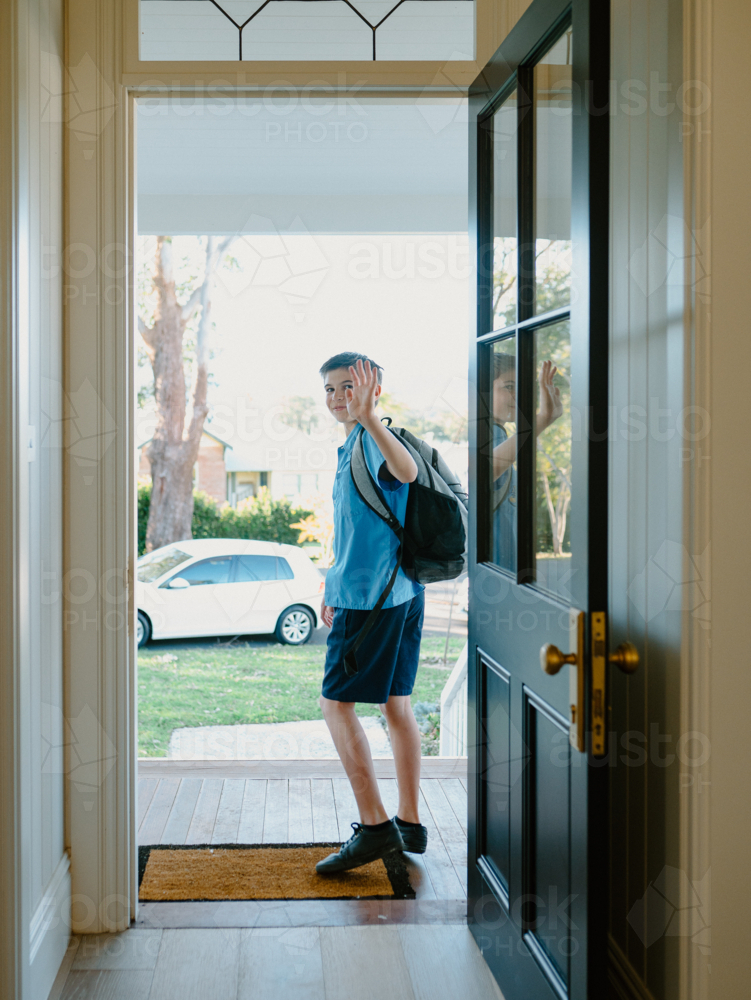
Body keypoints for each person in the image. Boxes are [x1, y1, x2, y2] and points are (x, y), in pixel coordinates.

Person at [315, 352, 427, 874]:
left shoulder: (376, 438)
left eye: (349, 386)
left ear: (374, 386)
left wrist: (369, 418)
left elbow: (406, 472)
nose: (340, 398)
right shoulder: (352, 446)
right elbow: (355, 533)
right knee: (396, 706)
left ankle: (376, 828)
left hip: (374, 603)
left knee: (336, 706)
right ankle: (410, 823)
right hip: (398, 592)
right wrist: (331, 584)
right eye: (332, 390)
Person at [491, 353, 562, 569]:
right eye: (509, 386)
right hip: (497, 572)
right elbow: (483, 470)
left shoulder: (500, 435)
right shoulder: (487, 432)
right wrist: (542, 419)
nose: (517, 394)